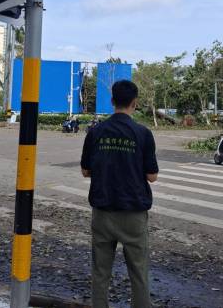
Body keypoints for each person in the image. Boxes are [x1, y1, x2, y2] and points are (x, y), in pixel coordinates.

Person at [81, 80, 159, 308]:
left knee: (100, 271)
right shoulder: (143, 133)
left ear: (112, 101)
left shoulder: (95, 132)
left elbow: (86, 171)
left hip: (103, 213)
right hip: (133, 214)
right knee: (138, 271)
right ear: (134, 103)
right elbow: (152, 176)